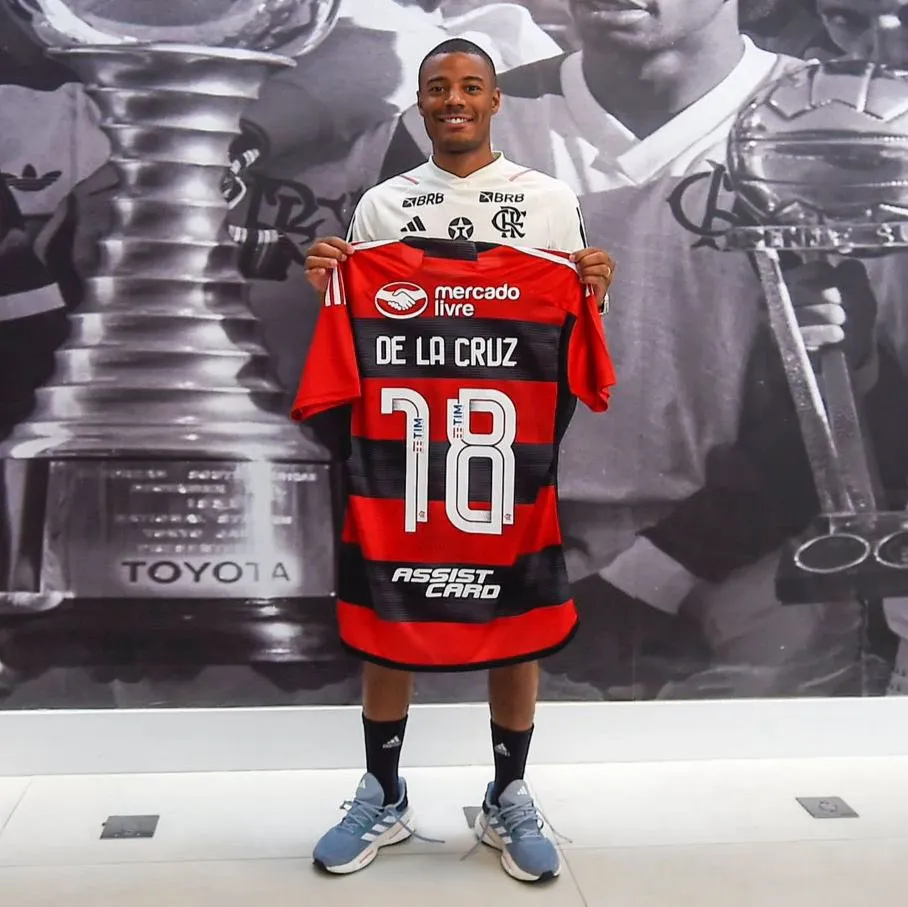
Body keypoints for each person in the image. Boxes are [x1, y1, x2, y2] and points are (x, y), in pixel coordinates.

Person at [367, 0, 872, 699]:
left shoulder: (842, 123)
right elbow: (403, 389)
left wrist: (655, 574)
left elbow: (855, 403)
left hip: (757, 545)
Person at [301, 38, 613, 882]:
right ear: (420, 101)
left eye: (471, 86)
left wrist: (594, 290)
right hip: (403, 457)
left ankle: (509, 791)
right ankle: (383, 790)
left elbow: (571, 337)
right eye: (438, 87)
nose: (455, 100)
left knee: (515, 623)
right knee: (391, 615)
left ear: (495, 99)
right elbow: (352, 326)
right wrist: (331, 285)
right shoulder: (383, 206)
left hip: (503, 455)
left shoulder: (549, 200)